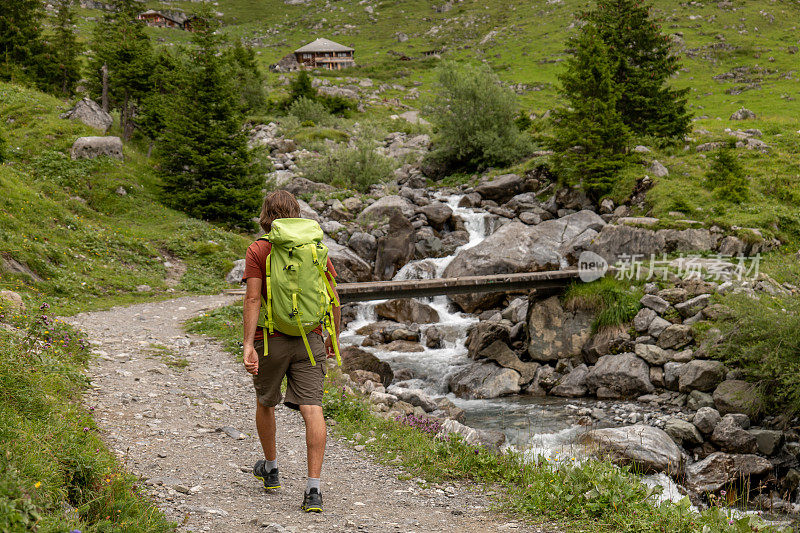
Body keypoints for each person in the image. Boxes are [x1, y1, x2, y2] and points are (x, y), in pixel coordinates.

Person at [241, 190, 341, 513]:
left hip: (269, 339)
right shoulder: (314, 248)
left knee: (265, 401)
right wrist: (331, 336)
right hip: (309, 337)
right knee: (312, 408)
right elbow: (333, 297)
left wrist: (247, 345)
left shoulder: (259, 249)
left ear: (266, 215)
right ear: (296, 213)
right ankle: (313, 490)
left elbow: (253, 299)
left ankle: (271, 469)